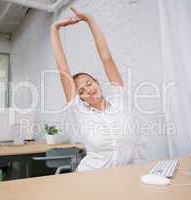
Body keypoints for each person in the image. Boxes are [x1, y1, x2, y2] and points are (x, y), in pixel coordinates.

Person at [51, 7, 137, 171]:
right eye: (81, 91)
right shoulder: (81, 112)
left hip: (124, 178)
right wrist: (54, 29)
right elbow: (63, 71)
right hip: (91, 179)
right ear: (80, 98)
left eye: (89, 83)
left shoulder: (118, 99)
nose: (88, 90)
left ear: (97, 82)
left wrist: (90, 20)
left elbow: (107, 59)